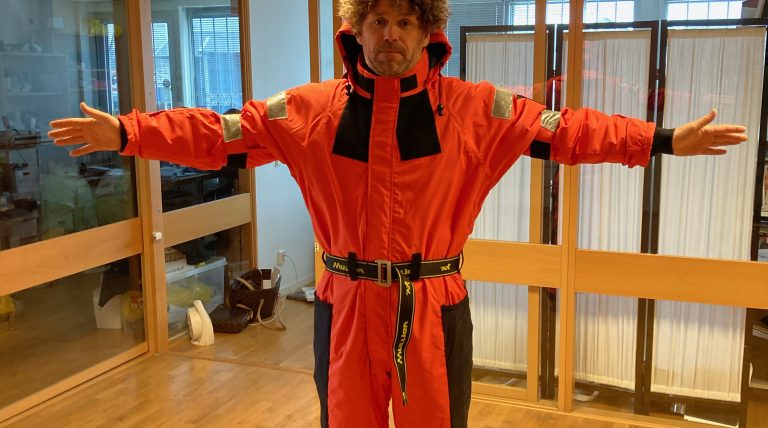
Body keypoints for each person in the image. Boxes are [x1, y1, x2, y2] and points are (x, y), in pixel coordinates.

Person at [48, 0, 748, 426]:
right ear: (356, 28)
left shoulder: (477, 110)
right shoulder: (308, 112)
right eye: (378, 20)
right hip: (346, 308)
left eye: (405, 20)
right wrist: (129, 132)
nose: (391, 34)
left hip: (434, 310)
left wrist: (661, 140)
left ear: (428, 29)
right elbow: (218, 131)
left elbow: (569, 130)